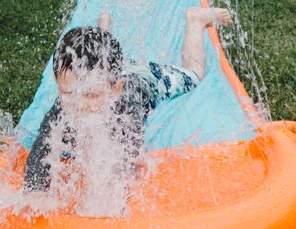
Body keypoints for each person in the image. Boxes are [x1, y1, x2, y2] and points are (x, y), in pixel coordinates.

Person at [23, 8, 233, 192]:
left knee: (194, 75)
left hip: (144, 77)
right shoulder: (66, 105)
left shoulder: (125, 110)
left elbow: (128, 158)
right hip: (105, 75)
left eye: (91, 96)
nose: (79, 105)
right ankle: (103, 32)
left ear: (116, 90)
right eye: (68, 94)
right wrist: (35, 190)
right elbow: (42, 146)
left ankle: (195, 21)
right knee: (100, 65)